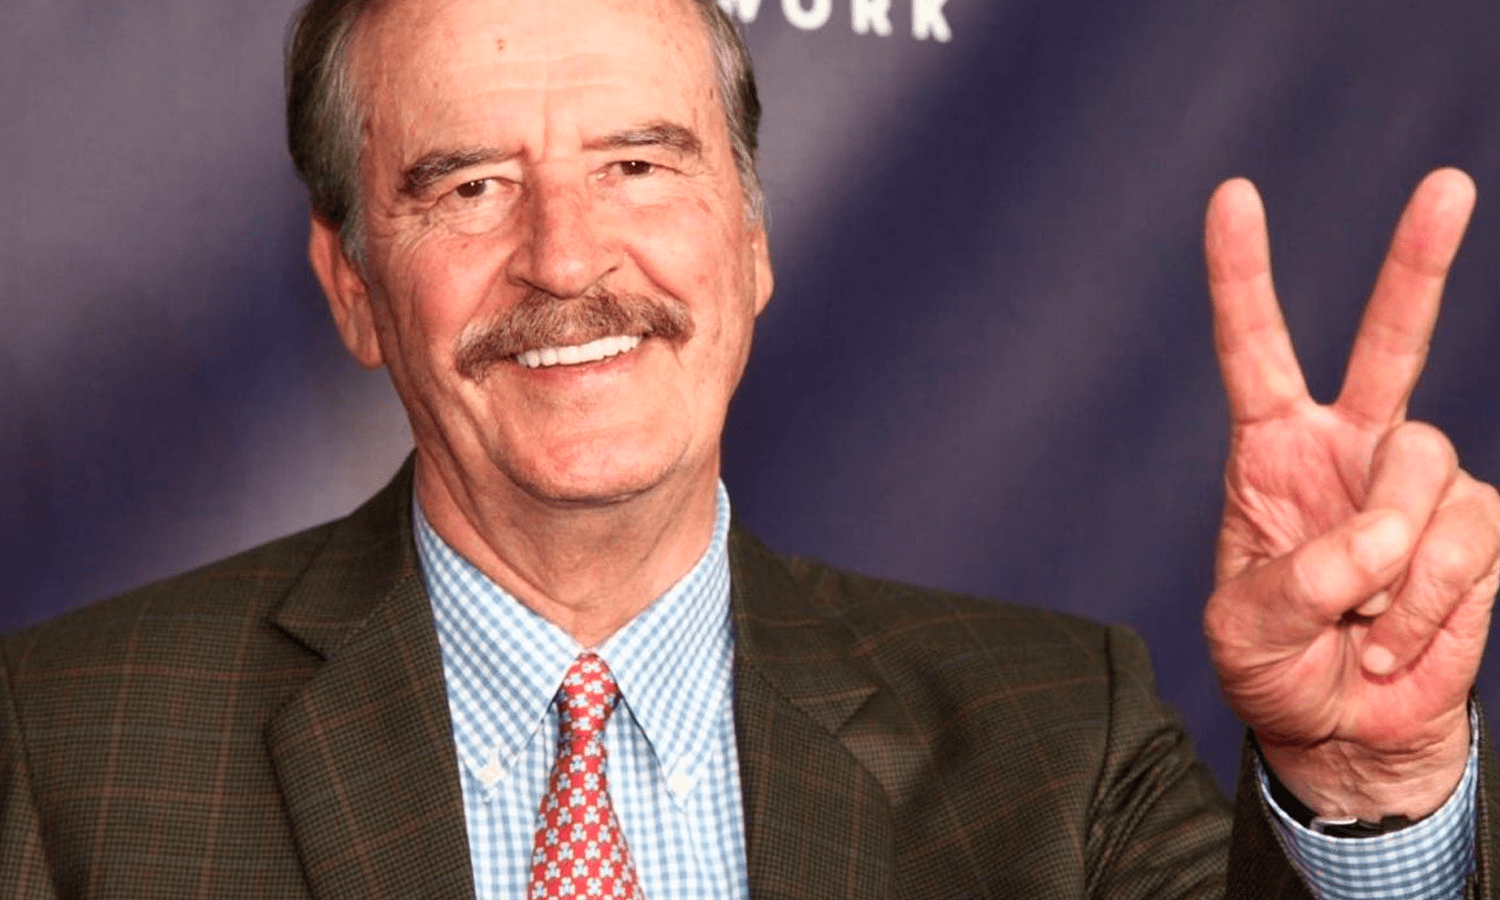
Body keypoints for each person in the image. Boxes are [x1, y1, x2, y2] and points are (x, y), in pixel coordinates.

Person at [2, 0, 1497, 896]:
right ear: (351, 288)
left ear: (753, 240)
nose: (566, 257)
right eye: (469, 187)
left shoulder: (1056, 740)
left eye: (640, 164)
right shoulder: (68, 749)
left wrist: (1366, 797)